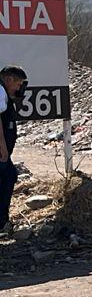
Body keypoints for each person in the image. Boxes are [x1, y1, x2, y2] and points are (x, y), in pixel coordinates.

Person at [0, 66, 27, 237]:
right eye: (17, 84)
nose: (18, 89)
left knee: (9, 176)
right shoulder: (0, 91)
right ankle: (1, 222)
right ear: (8, 79)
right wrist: (2, 145)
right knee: (8, 176)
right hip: (0, 150)